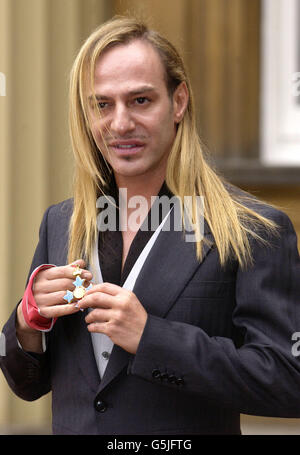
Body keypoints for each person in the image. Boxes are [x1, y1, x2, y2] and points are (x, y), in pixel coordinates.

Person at [1, 16, 300, 436]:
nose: (120, 123)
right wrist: (26, 323)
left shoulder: (255, 230)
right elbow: (26, 384)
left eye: (140, 100)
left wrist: (152, 339)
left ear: (178, 102)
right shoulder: (60, 222)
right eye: (102, 104)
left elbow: (289, 380)